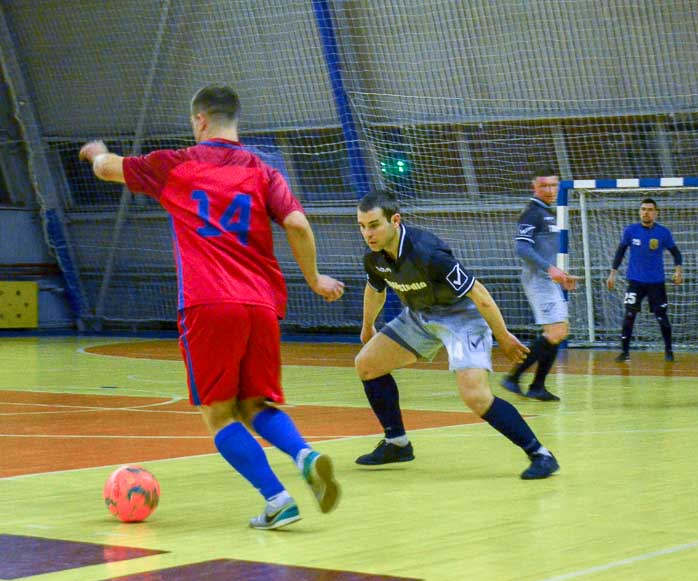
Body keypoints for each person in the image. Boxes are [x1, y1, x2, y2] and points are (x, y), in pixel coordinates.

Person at [79, 85, 345, 529]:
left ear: (199, 120)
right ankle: (305, 453)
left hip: (209, 304)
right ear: (233, 119)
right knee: (254, 404)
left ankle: (278, 498)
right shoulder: (263, 171)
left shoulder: (173, 164)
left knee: (218, 414)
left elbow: (108, 169)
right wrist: (315, 279)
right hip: (261, 305)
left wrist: (96, 152)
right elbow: (297, 223)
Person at [354, 189, 560, 480]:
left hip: (462, 318)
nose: (368, 234)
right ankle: (396, 443)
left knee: (474, 394)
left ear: (395, 220)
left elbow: (478, 293)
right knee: (367, 365)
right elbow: (376, 288)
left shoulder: (428, 253)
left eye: (374, 225)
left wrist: (502, 336)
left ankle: (541, 454)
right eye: (362, 226)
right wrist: (367, 327)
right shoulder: (374, 257)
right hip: (420, 316)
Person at [501, 167, 578, 402]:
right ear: (534, 187)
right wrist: (550, 269)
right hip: (538, 279)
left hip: (549, 279)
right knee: (556, 332)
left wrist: (561, 275)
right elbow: (522, 248)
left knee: (558, 332)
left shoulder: (549, 213)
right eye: (544, 185)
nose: (549, 190)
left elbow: (545, 250)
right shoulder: (532, 213)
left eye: (553, 185)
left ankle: (537, 386)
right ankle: (513, 378)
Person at [606, 198, 683, 362]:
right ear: (639, 211)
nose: (646, 212)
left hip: (656, 282)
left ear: (656, 213)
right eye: (643, 209)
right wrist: (612, 273)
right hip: (635, 282)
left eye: (649, 209)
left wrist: (678, 272)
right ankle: (624, 352)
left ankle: (669, 351)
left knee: (662, 317)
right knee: (629, 316)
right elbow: (620, 252)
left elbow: (676, 253)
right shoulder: (630, 231)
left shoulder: (663, 232)